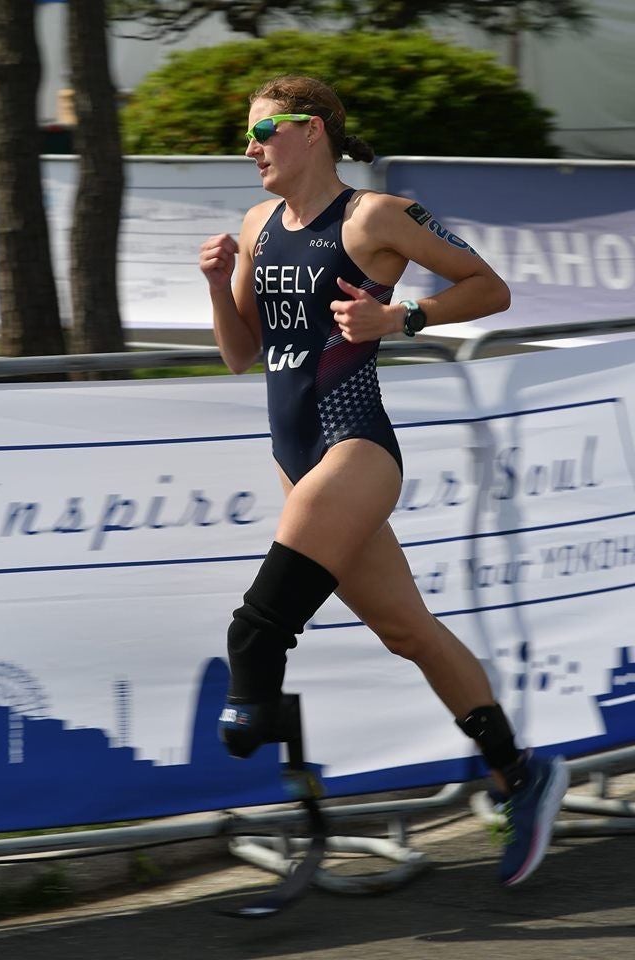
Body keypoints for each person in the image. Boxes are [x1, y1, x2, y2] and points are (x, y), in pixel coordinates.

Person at [199, 74, 569, 888]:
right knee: (409, 633)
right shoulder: (258, 225)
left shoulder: (375, 216)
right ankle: (522, 774)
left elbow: (490, 286)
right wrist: (214, 283)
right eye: (247, 138)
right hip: (298, 459)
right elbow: (240, 353)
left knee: (257, 632)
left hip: (355, 447)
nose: (251, 150)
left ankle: (278, 766)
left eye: (264, 132)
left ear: (315, 130)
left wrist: (401, 319)